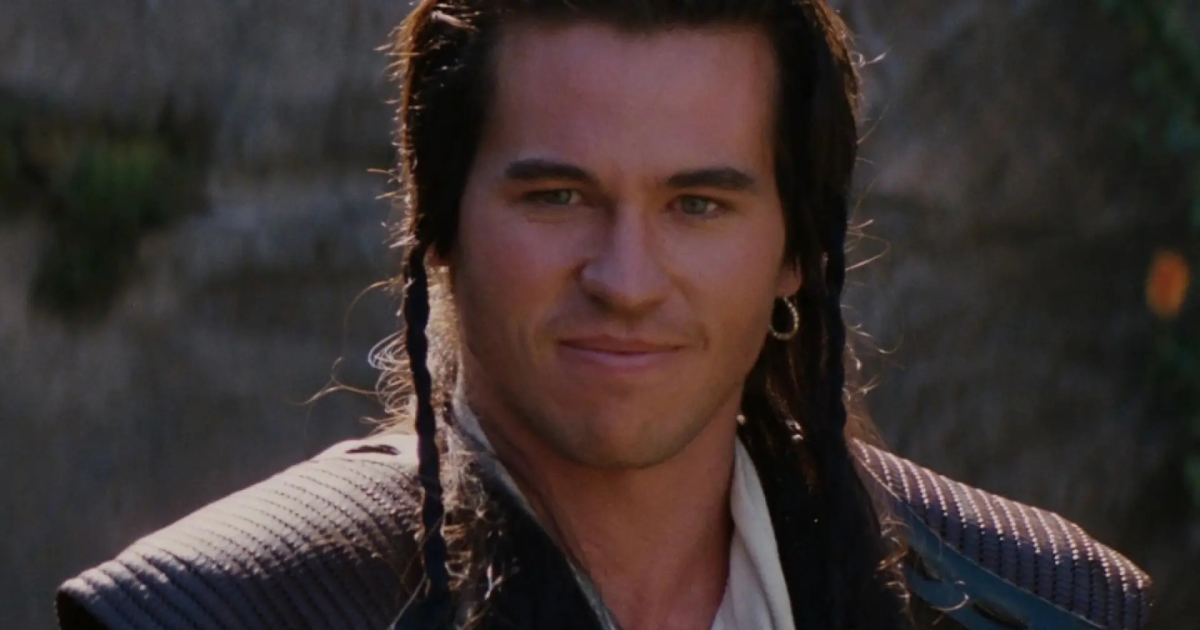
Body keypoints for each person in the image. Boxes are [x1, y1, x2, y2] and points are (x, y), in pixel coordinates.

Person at [55, 1, 1154, 629]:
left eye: (697, 205)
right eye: (558, 197)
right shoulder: (227, 613)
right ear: (438, 221)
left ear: (795, 251)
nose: (626, 277)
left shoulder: (1037, 607)